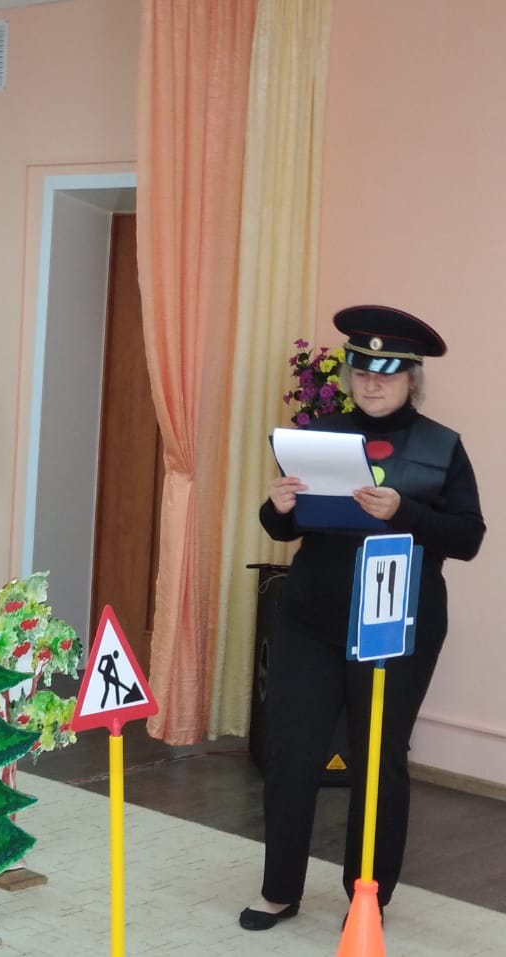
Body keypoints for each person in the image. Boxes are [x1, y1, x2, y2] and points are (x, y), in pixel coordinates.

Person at [239, 304, 485, 931]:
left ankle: (367, 896)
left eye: (387, 373)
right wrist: (277, 506)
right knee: (290, 750)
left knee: (379, 756)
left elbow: (468, 538)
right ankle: (279, 889)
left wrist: (404, 512)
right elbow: (285, 530)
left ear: (412, 378)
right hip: (312, 618)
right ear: (349, 373)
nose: (372, 384)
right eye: (362, 371)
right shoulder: (317, 435)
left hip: (395, 624)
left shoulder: (442, 446)